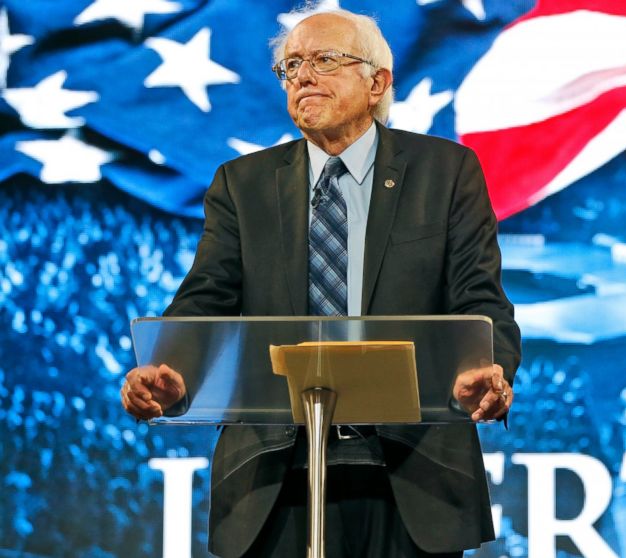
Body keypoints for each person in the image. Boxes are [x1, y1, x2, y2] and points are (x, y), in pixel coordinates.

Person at [120, 7, 521, 557]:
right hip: (273, 471)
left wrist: (485, 371)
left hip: (411, 469)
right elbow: (204, 299)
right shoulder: (243, 184)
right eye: (291, 67)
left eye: (325, 60)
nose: (303, 76)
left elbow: (480, 298)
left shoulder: (445, 172)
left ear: (377, 81)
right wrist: (170, 370)